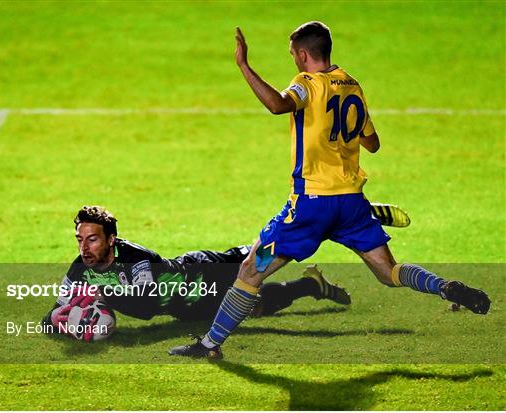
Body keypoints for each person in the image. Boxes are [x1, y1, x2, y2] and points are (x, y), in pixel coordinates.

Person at [169, 22, 491, 359]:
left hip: (309, 209)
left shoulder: (307, 84)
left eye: (294, 55)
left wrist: (244, 67)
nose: (294, 61)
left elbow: (279, 105)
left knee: (251, 268)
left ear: (304, 55)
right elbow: (373, 143)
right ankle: (444, 287)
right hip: (351, 206)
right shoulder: (352, 86)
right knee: (389, 272)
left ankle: (209, 345)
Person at [42, 205, 354, 334]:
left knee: (263, 257)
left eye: (92, 239)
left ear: (111, 239)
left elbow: (146, 303)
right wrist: (65, 321)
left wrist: (101, 299)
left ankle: (322, 223)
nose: (84, 247)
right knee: (254, 308)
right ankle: (310, 285)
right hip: (188, 310)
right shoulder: (80, 267)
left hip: (201, 272)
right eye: (80, 239)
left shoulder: (136, 257)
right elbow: (55, 311)